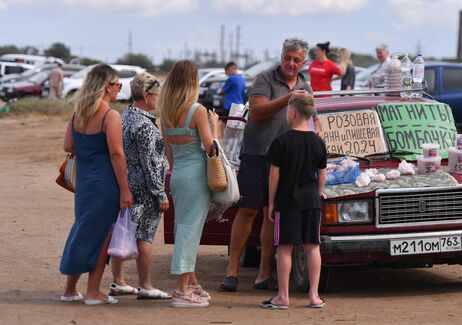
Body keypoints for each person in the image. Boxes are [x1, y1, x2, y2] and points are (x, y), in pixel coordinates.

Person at [219, 38, 319, 292]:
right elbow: (256, 112)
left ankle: (264, 274)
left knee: (271, 215)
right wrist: (287, 99)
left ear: (303, 62)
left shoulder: (305, 83)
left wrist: (316, 134)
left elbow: (313, 118)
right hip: (256, 154)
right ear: (281, 56)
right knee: (247, 211)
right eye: (287, 57)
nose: (291, 63)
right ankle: (232, 272)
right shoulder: (265, 79)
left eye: (296, 59)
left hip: (286, 161)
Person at [59, 64, 133, 305]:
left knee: (82, 231)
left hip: (84, 185)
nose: (119, 89)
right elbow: (117, 154)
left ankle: (70, 289)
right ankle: (93, 292)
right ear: (107, 87)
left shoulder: (78, 113)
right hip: (105, 184)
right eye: (117, 84)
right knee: (102, 237)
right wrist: (124, 189)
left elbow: (68, 146)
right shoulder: (110, 115)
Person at [160, 60, 219, 308]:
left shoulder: (166, 111)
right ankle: (182, 289)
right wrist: (215, 128)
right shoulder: (197, 111)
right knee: (190, 230)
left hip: (178, 175)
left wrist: (175, 169)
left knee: (184, 225)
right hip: (196, 175)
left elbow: (168, 151)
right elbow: (210, 147)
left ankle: (191, 282)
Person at [261, 93, 327, 310]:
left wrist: (271, 202)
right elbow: (322, 175)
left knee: (285, 248)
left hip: (287, 201)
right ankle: (314, 296)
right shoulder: (319, 142)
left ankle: (283, 296)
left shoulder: (281, 142)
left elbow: (274, 176)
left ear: (292, 113)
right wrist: (318, 193)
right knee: (312, 247)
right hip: (311, 201)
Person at [109, 73, 171, 300]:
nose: (158, 99)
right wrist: (160, 193)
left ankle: (119, 281)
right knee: (144, 235)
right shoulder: (145, 125)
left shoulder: (123, 118)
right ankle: (145, 284)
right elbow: (152, 164)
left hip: (123, 181)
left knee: (123, 229)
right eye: (157, 95)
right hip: (143, 187)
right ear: (146, 96)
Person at [219, 61, 246, 137]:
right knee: (237, 126)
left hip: (230, 106)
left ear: (230, 69)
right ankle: (235, 144)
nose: (227, 74)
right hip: (240, 106)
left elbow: (222, 90)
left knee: (223, 124)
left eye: (227, 72)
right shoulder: (242, 78)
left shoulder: (231, 78)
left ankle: (223, 142)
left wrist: (220, 91)